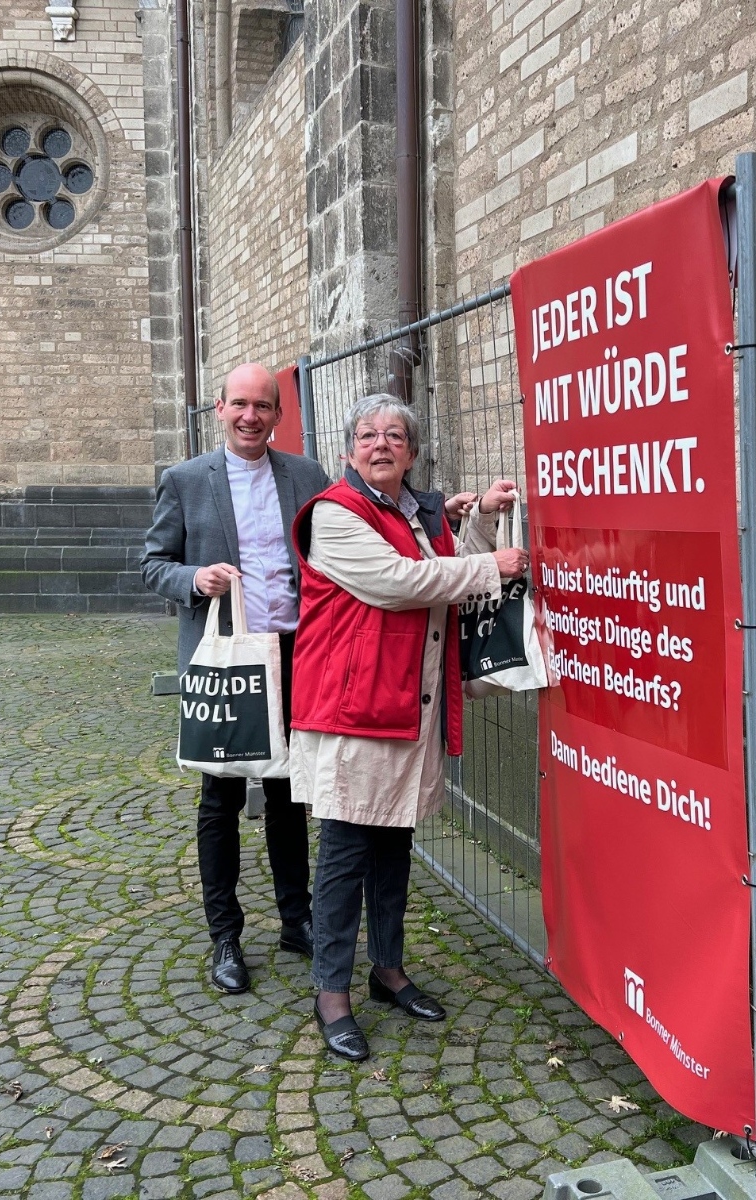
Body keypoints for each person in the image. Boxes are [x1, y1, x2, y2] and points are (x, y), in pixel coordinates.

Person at [288, 393, 528, 1061]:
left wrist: (481, 521)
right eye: (368, 435)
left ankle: (388, 971)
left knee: (394, 846)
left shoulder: (416, 512)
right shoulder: (335, 514)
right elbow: (399, 582)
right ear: (348, 451)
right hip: (356, 708)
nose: (382, 444)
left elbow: (446, 566)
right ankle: (330, 990)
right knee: (344, 854)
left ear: (413, 453)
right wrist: (489, 567)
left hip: (406, 705)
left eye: (396, 435)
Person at [141, 362, 332, 995]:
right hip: (223, 657)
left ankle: (295, 919)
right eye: (240, 404)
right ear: (218, 408)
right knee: (219, 797)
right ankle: (225, 933)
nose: (251, 416)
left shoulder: (307, 477)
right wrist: (195, 580)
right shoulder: (186, 480)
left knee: (287, 791)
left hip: (294, 650)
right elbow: (153, 564)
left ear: (279, 415)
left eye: (264, 406)